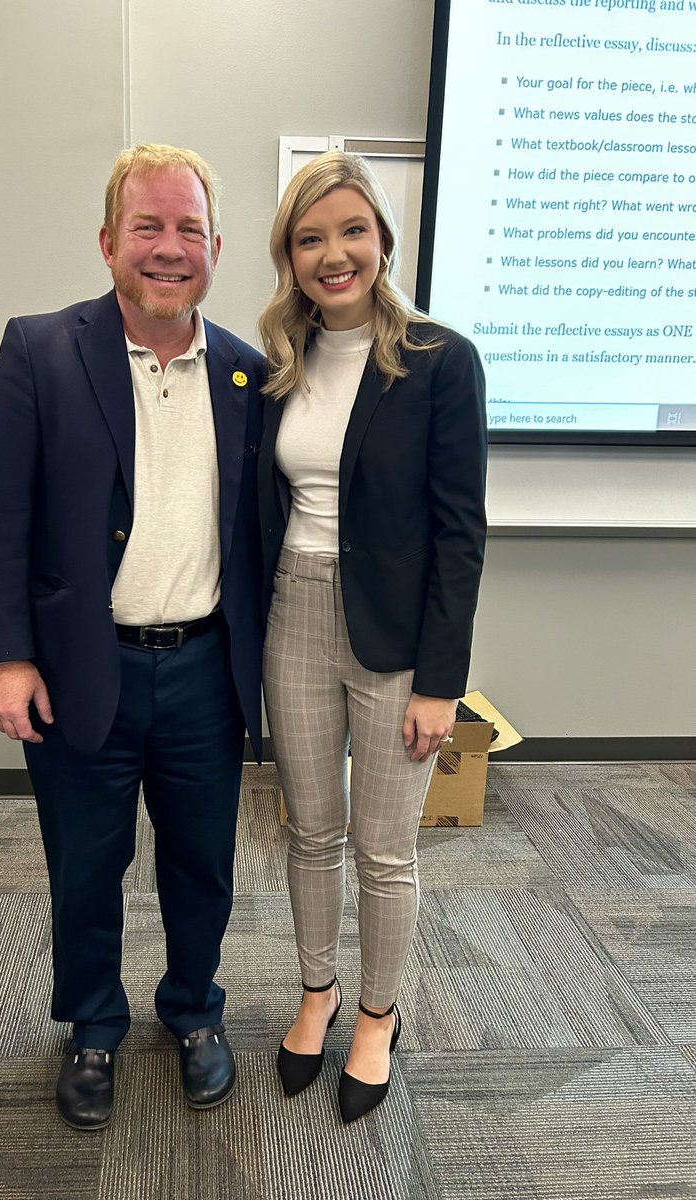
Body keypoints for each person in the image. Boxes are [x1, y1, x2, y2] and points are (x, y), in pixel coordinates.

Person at [0, 144, 265, 1131]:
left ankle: (194, 1011)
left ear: (216, 249)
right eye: (148, 227)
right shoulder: (39, 351)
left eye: (188, 230)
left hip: (206, 675)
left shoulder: (249, 377)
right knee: (87, 863)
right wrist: (4, 656)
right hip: (81, 672)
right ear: (107, 244)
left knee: (201, 863)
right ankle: (93, 1023)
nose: (168, 248)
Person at [257, 151, 487, 1123]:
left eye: (352, 229)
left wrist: (442, 682)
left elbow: (460, 532)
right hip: (292, 612)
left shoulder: (440, 359)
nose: (333, 253)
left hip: (396, 638)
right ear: (290, 257)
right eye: (310, 238)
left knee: (385, 851)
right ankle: (318, 992)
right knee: (309, 830)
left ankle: (379, 1015)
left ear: (384, 237)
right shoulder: (276, 358)